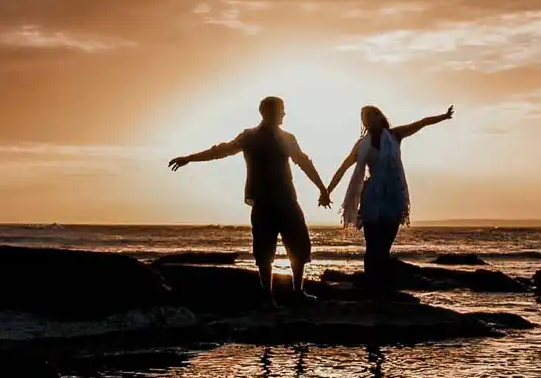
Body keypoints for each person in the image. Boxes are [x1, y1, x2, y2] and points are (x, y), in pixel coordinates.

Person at [169, 95, 331, 305]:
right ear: (267, 112)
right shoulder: (250, 137)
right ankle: (267, 296)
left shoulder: (287, 138)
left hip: (286, 199)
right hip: (264, 201)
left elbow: (303, 162)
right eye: (281, 110)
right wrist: (190, 158)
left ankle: (297, 292)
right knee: (264, 249)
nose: (284, 114)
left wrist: (322, 188)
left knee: (299, 246)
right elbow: (220, 151)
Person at [325, 104, 453, 280]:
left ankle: (380, 284)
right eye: (363, 116)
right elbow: (343, 167)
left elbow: (421, 123)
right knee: (372, 245)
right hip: (371, 197)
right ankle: (371, 283)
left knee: (384, 246)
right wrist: (327, 192)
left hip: (393, 197)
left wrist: (444, 116)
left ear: (379, 116)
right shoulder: (362, 145)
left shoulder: (395, 136)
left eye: (369, 114)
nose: (366, 118)